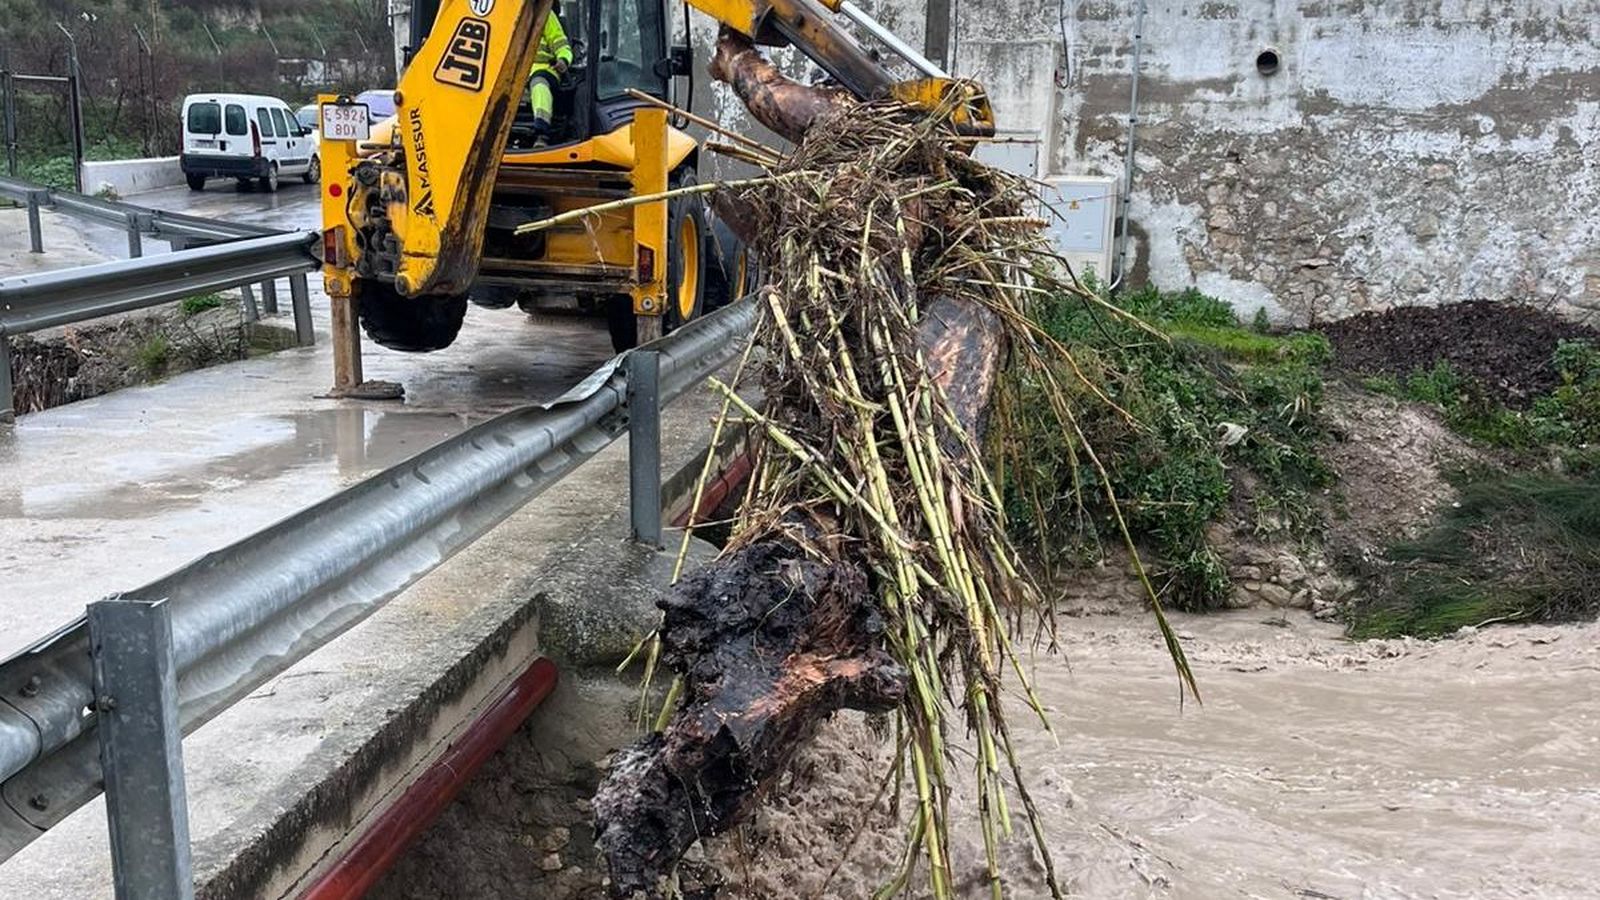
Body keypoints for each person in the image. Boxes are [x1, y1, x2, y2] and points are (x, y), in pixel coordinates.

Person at [529, 10, 574, 146]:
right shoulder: (506, 16)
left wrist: (563, 59)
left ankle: (541, 132)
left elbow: (561, 45)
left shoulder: (546, 15)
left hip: (544, 68)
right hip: (514, 74)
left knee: (539, 84)